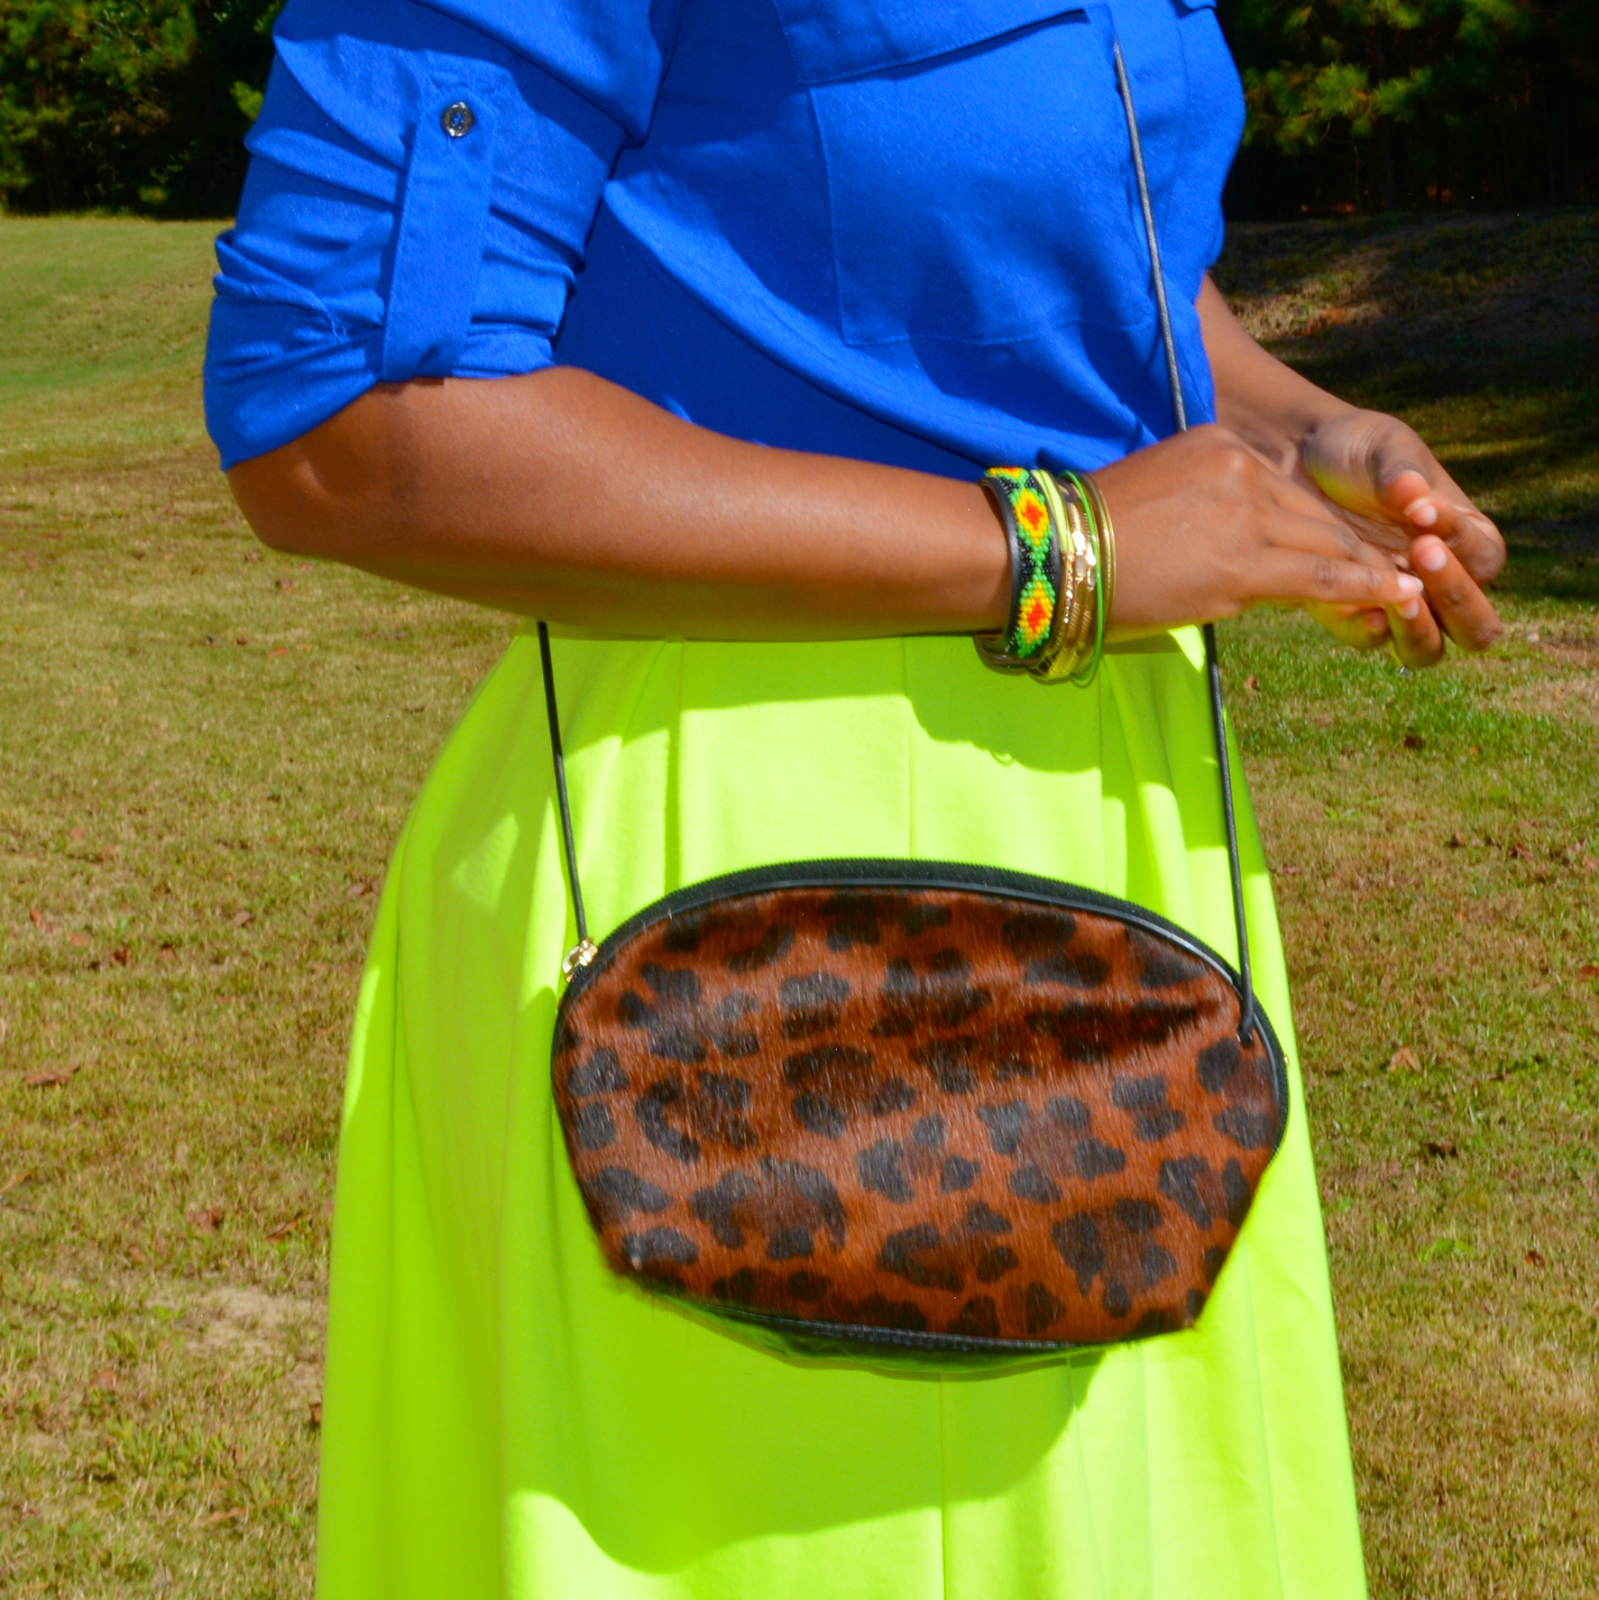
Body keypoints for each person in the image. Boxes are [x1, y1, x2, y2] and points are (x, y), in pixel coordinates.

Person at [205, 0, 1505, 1594]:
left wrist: (1293, 429)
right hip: (740, 902)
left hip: (1107, 852)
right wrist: (1055, 547)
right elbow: (331, 421)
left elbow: (1037, 242)